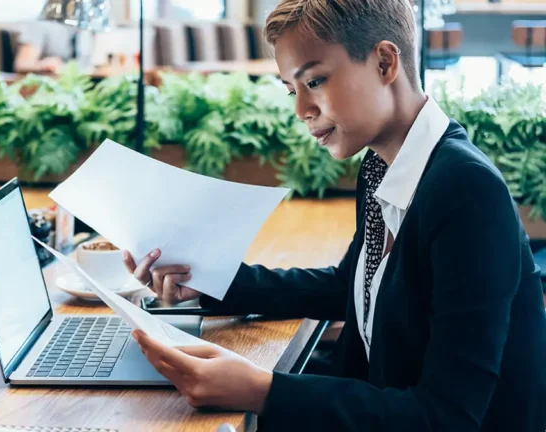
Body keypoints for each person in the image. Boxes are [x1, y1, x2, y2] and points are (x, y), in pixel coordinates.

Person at [122, 0, 546, 430]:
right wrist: (210, 282)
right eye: (293, 89)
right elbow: (350, 288)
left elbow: (448, 417)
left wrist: (261, 389)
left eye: (315, 81)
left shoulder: (465, 191)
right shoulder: (383, 164)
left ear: (384, 62)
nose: (301, 109)